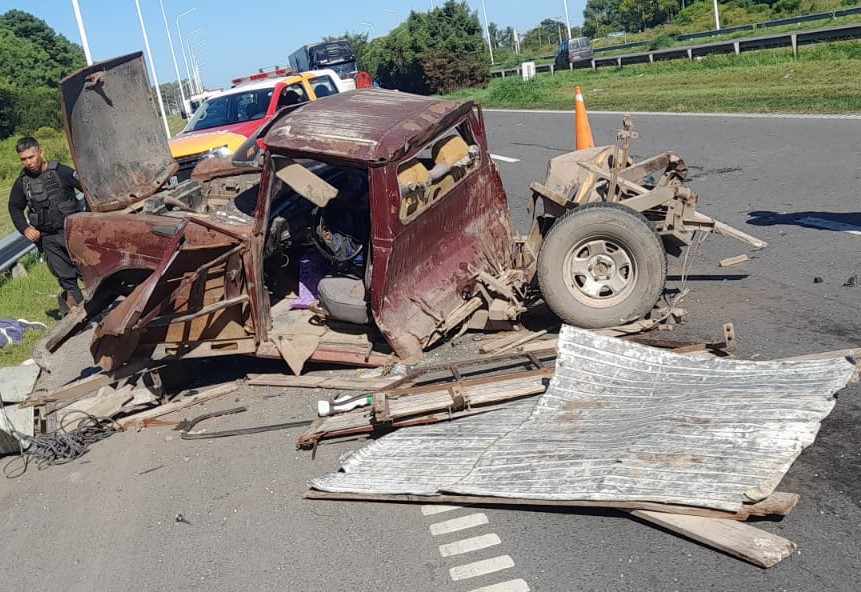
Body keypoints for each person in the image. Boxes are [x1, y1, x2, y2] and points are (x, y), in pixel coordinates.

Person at [7, 136, 85, 312]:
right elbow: (14, 207)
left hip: (73, 232)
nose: (28, 162)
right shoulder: (22, 183)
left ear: (40, 152)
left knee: (87, 270)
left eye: (31, 157)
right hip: (47, 238)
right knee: (65, 277)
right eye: (23, 159)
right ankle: (83, 314)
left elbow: (87, 189)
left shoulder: (62, 172)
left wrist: (90, 219)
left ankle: (103, 307)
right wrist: (25, 229)